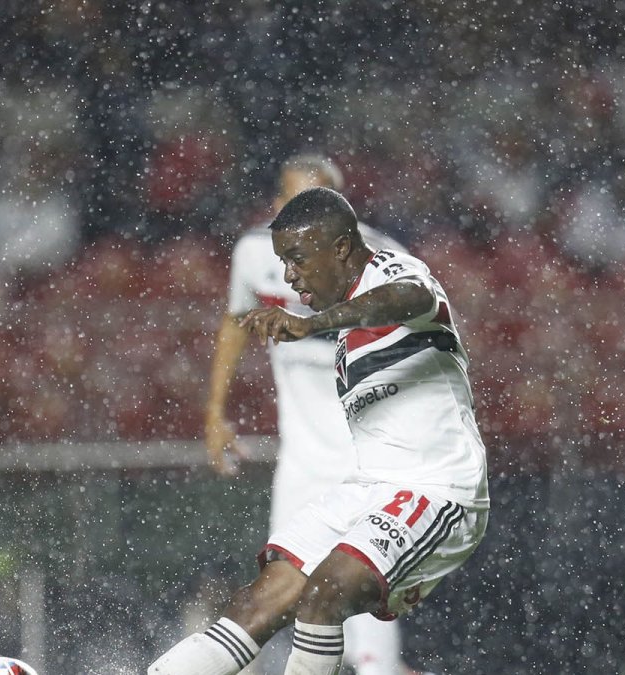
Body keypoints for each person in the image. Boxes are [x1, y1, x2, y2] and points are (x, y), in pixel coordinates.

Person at [150, 187, 489, 675]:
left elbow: (409, 296)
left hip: (437, 489)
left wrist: (313, 325)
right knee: (259, 599)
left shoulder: (394, 271)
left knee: (325, 592)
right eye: (283, 261)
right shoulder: (348, 335)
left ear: (341, 248)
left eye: (298, 259)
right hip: (370, 490)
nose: (289, 275)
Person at [205, 154, 419, 674]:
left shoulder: (385, 262)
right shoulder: (257, 253)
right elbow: (237, 321)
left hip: (370, 465)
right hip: (301, 466)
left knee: (364, 615)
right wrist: (215, 412)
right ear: (277, 207)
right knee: (287, 596)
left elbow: (429, 353)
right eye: (295, 205)